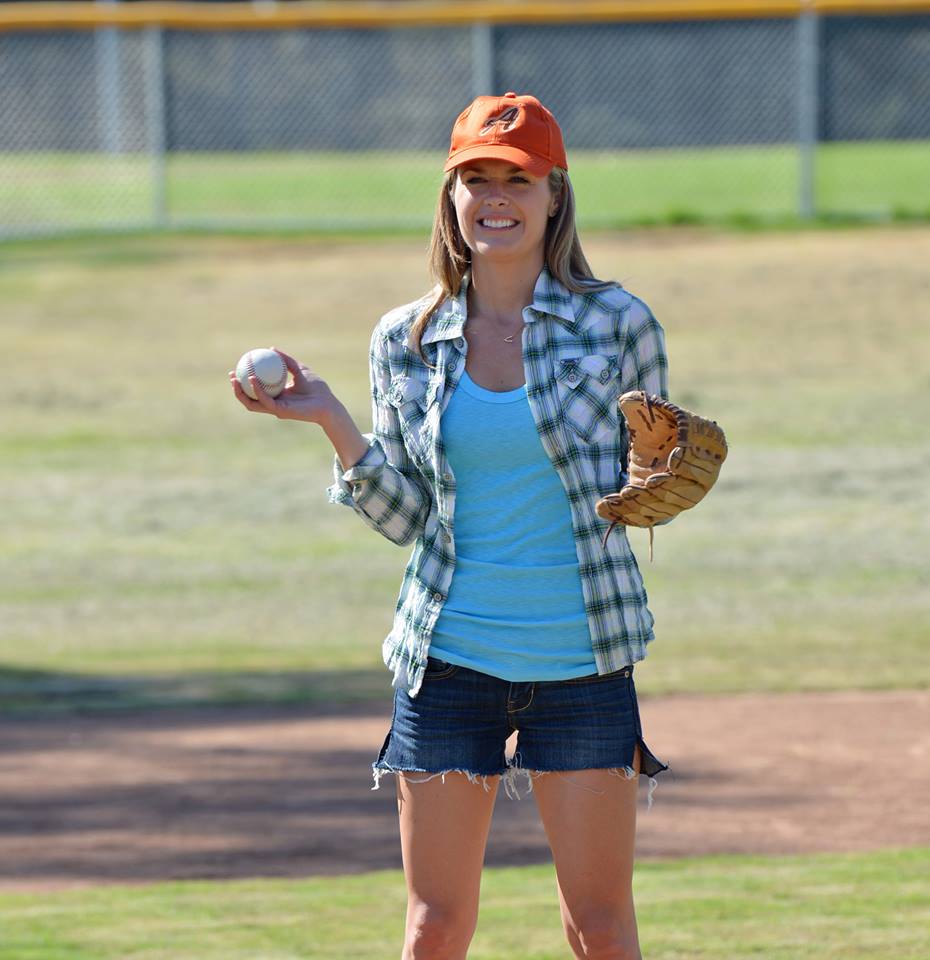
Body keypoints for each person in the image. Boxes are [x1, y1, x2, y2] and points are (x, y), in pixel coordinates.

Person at [230, 91, 670, 960]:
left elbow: (648, 480)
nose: (494, 196)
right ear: (451, 196)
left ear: (554, 196)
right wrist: (331, 421)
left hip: (581, 659)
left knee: (601, 926)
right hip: (449, 658)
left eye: (517, 178)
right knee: (435, 927)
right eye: (474, 178)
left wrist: (661, 486)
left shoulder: (619, 323)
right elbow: (406, 520)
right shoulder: (405, 337)